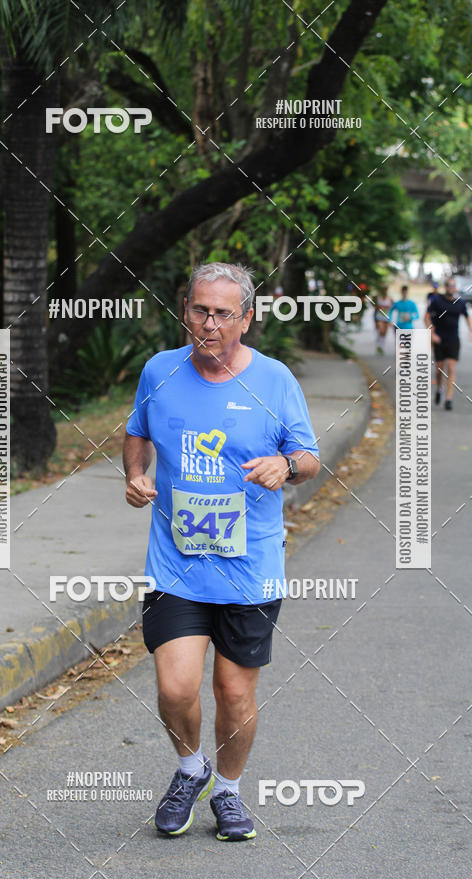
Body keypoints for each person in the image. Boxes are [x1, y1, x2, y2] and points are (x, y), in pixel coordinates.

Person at [123, 262, 320, 841]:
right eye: (198, 310)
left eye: (222, 313)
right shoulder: (159, 370)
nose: (207, 323)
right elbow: (137, 431)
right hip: (176, 565)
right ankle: (191, 769)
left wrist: (285, 465)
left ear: (247, 318)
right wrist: (135, 475)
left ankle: (229, 790)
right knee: (176, 688)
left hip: (250, 568)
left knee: (234, 691)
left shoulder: (275, 380)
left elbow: (309, 457)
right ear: (185, 309)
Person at [425, 277, 472, 410]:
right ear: (445, 287)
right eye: (449, 285)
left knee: (451, 368)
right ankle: (439, 389)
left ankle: (448, 399)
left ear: (455, 288)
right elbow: (427, 317)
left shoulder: (460, 303)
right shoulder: (437, 301)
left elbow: (467, 316)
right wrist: (432, 334)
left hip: (453, 339)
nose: (451, 288)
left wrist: (471, 331)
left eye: (453, 286)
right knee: (440, 369)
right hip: (439, 339)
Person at [374, 287, 392, 353]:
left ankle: (381, 346)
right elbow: (376, 308)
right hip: (379, 317)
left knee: (384, 333)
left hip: (386, 317)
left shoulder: (390, 298)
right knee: (381, 330)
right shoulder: (378, 298)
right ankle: (378, 344)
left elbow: (391, 308)